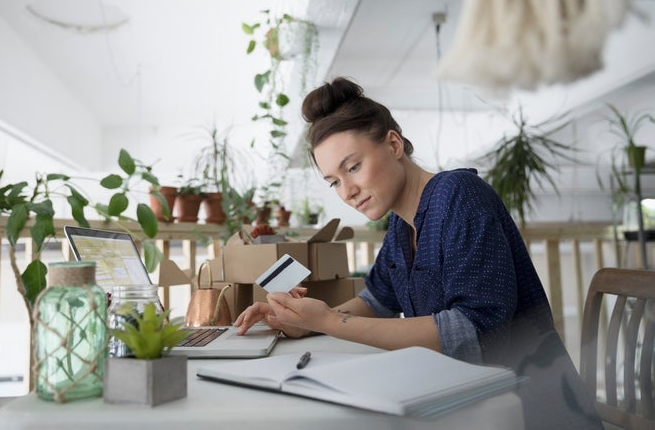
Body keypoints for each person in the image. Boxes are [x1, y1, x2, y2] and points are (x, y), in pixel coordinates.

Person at [234, 77, 602, 429]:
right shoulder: (400, 224)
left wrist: (329, 322)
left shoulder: (460, 194)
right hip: (458, 399)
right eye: (334, 182)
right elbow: (376, 300)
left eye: (353, 167)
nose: (347, 191)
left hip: (528, 407)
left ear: (394, 144)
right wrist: (304, 321)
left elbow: (474, 332)